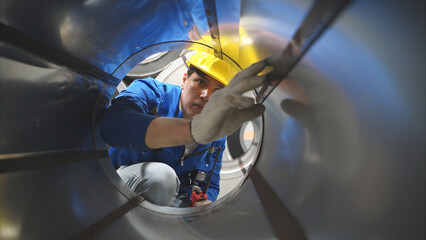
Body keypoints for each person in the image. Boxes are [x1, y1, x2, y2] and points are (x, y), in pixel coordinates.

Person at [100, 51, 271, 207]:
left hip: (168, 203)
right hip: (115, 185)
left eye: (218, 91)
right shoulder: (151, 92)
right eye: (201, 82)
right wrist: (190, 131)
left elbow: (210, 185)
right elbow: (112, 125)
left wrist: (202, 201)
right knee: (161, 178)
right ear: (184, 80)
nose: (207, 95)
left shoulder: (216, 136)